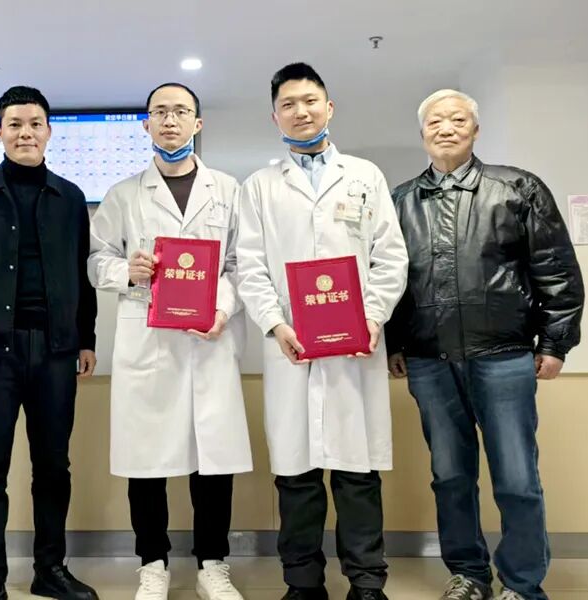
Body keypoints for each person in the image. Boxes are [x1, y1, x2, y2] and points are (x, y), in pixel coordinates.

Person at [386, 89, 585, 600]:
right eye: (435, 121)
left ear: (475, 130)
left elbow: (556, 269)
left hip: (503, 357)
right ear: (422, 133)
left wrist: (555, 342)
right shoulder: (400, 201)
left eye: (458, 119)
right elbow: (388, 280)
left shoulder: (517, 188)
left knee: (517, 478)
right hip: (430, 361)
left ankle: (521, 583)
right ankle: (468, 575)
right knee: (450, 477)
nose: (446, 128)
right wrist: (393, 343)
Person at [236, 63, 408, 600]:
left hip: (357, 347)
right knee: (297, 476)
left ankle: (367, 582)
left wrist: (372, 317)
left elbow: (391, 257)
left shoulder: (365, 176)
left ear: (329, 107)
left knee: (358, 473)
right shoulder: (260, 186)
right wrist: (275, 323)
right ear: (275, 117)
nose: (301, 111)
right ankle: (303, 583)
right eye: (288, 104)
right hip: (292, 348)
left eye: (310, 101)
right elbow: (249, 267)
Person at [88, 82, 253, 600]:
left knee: (213, 458)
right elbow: (95, 260)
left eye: (181, 111)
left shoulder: (228, 190)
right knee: (147, 459)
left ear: (197, 123)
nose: (170, 120)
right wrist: (127, 271)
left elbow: (242, 264)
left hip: (209, 340)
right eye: (159, 112)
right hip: (149, 340)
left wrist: (223, 308)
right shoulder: (123, 193)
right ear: (146, 124)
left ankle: (212, 564)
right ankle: (152, 563)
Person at [0, 86, 99, 600]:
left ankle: (50, 570)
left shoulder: (70, 198)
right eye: (15, 124)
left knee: (53, 466)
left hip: (56, 351)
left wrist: (86, 339)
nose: (25, 133)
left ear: (49, 131)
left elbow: (83, 276)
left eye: (35, 124)